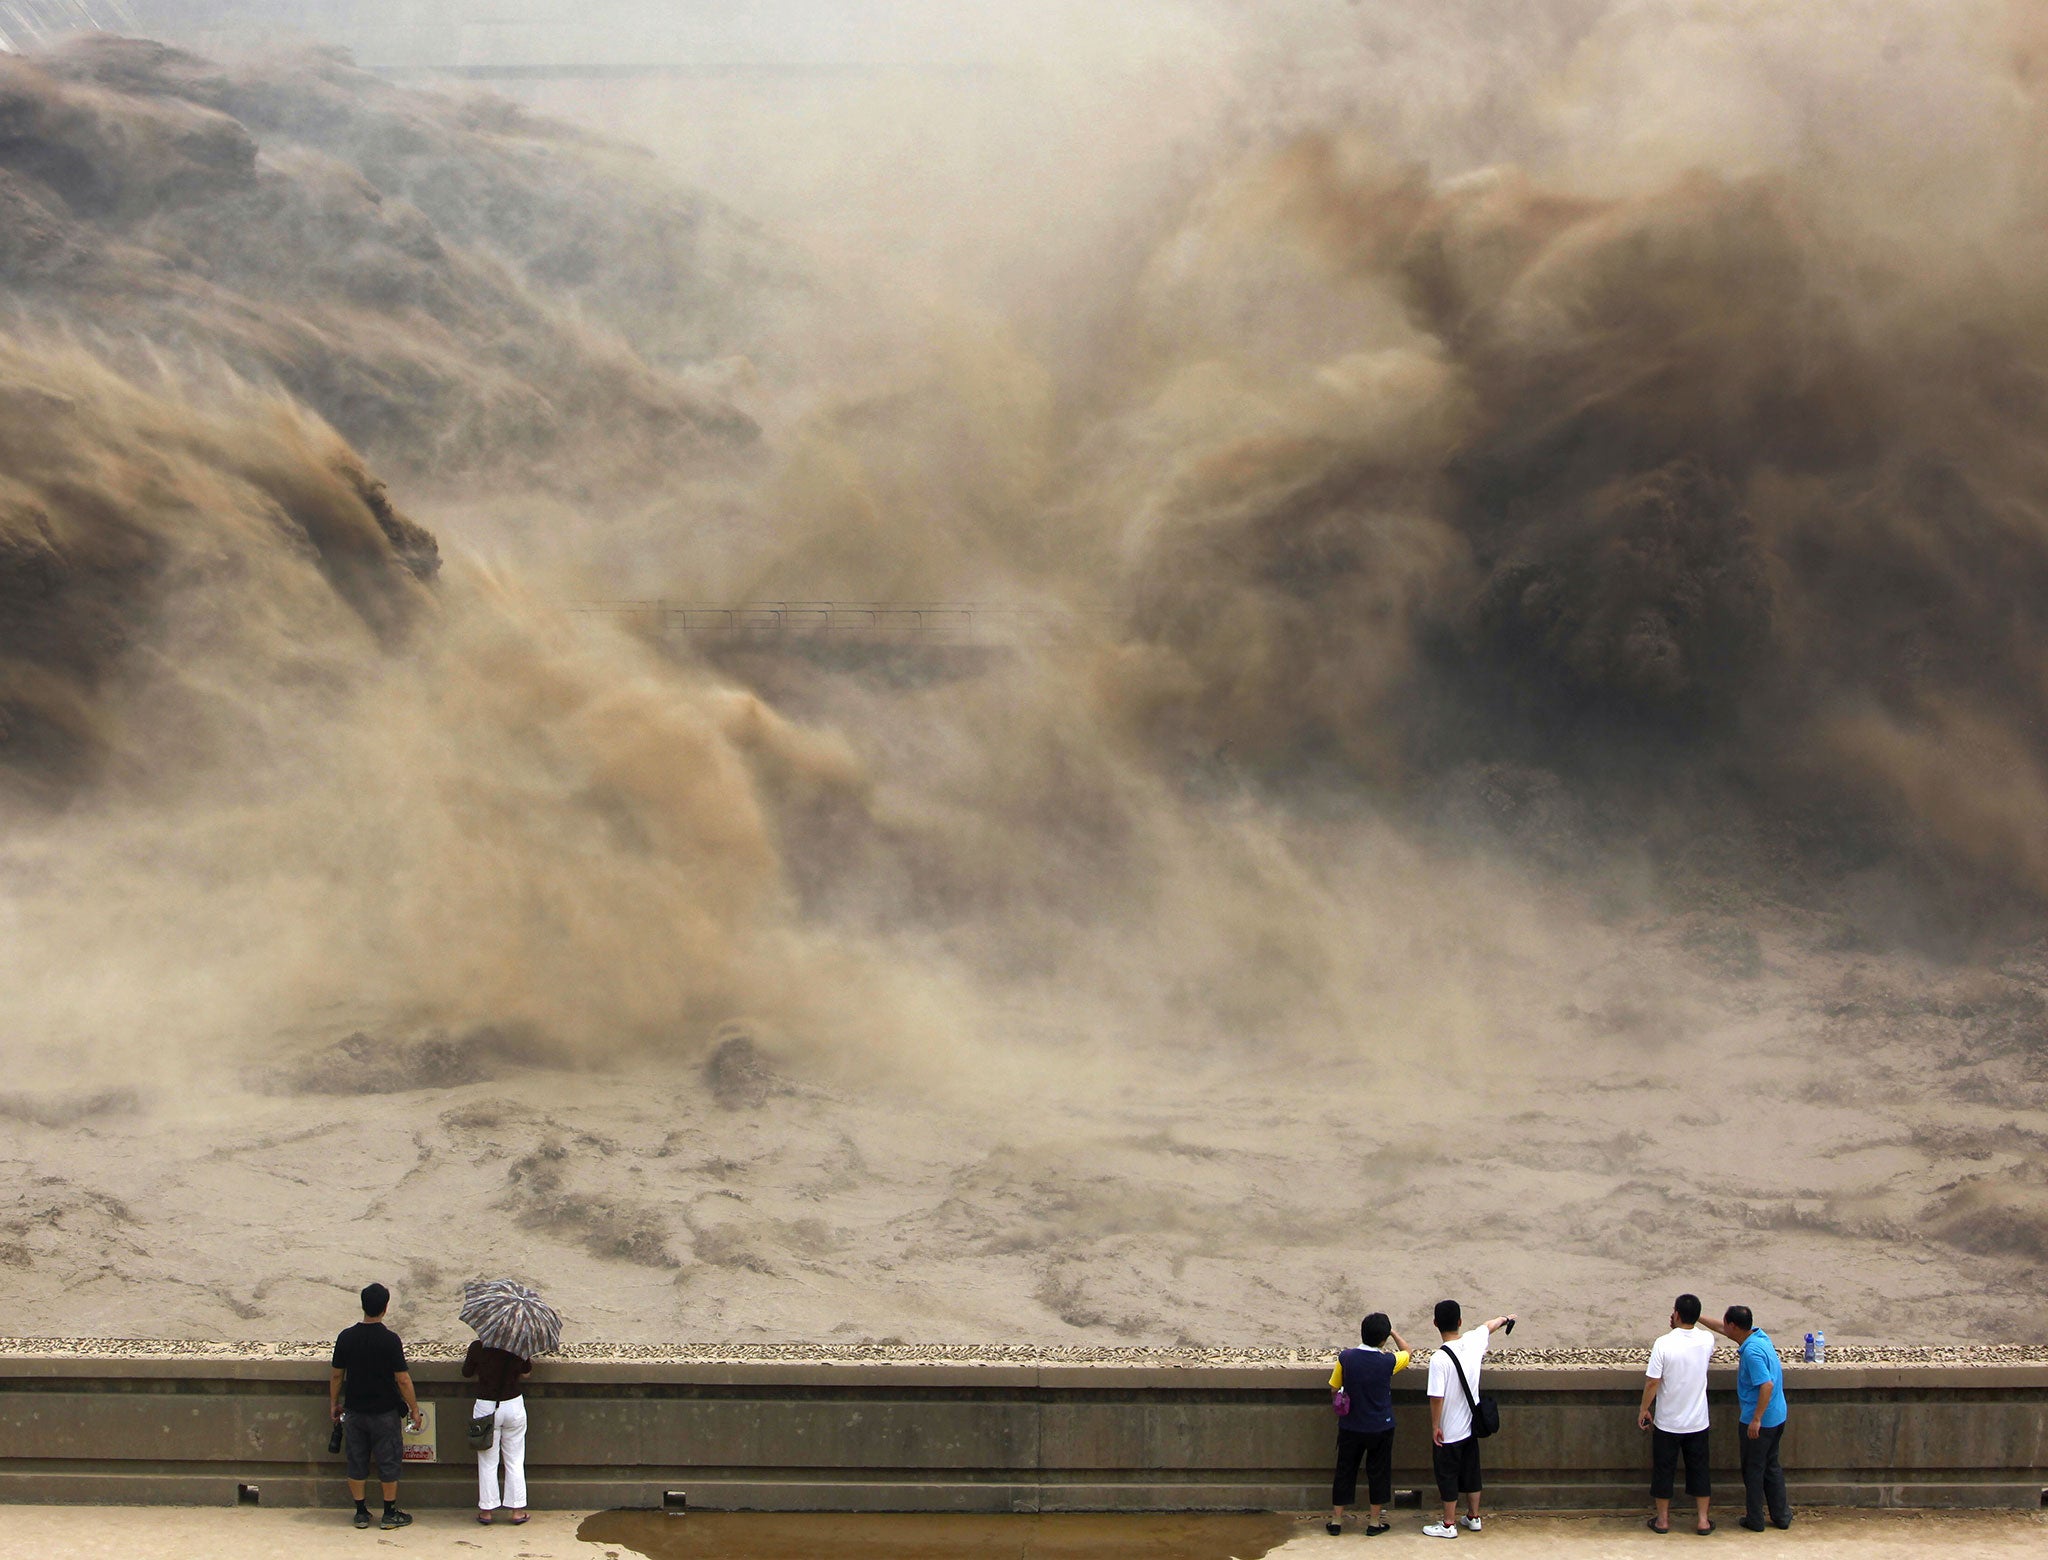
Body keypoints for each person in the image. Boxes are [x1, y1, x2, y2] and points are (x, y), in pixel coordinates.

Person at [329, 1282, 423, 1530]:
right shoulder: (390, 1340)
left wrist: (334, 1403)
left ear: (363, 1305)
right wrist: (413, 1408)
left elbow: (337, 1375)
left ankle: (360, 1512)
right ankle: (389, 1513)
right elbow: (402, 1379)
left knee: (356, 1460)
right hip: (385, 1413)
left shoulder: (346, 1337)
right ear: (385, 1308)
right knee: (388, 1461)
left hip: (355, 1411)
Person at [1423, 1299, 1515, 1539]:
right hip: (1471, 1428)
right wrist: (1505, 1318)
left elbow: (1436, 1397)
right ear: (1460, 1322)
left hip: (1449, 1431)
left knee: (1448, 1475)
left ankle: (1448, 1523)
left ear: (1435, 1324)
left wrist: (1435, 1426)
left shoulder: (1439, 1359)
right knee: (1472, 1472)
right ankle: (1474, 1517)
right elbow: (1489, 1325)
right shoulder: (1474, 1341)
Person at [1700, 1304, 1791, 1531]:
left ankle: (1755, 1519)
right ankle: (1781, 1516)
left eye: (1727, 1324)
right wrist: (1697, 1317)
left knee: (1753, 1470)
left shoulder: (1751, 1353)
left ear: (1734, 1326)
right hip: (1778, 1415)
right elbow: (1721, 1327)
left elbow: (1766, 1385)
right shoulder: (1760, 1337)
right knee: (1772, 1466)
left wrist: (1756, 1419)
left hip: (1760, 1421)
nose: (1724, 1328)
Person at [1327, 1311, 1412, 1536]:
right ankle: (1374, 1522)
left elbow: (1335, 1388)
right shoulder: (1387, 1361)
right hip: (1380, 1426)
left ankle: (1336, 1520)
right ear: (1383, 1339)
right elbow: (1408, 1352)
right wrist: (1393, 1332)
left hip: (1350, 1425)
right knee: (1379, 1473)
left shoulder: (1346, 1358)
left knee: (1345, 1471)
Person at [1638, 1292, 1716, 1535]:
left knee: (1664, 1471)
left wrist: (1643, 1409)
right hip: (1697, 1421)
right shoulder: (1707, 1340)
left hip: (1668, 1422)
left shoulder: (1663, 1343)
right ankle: (1703, 1520)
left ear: (1677, 1314)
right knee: (1700, 1470)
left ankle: (1663, 1520)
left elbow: (1653, 1382)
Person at [465, 1336, 534, 1525]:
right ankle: (517, 1510)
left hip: (486, 1407)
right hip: (513, 1405)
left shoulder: (478, 1346)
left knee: (487, 1460)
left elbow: (467, 1372)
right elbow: (527, 1373)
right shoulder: (518, 1344)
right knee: (515, 1459)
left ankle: (487, 1511)